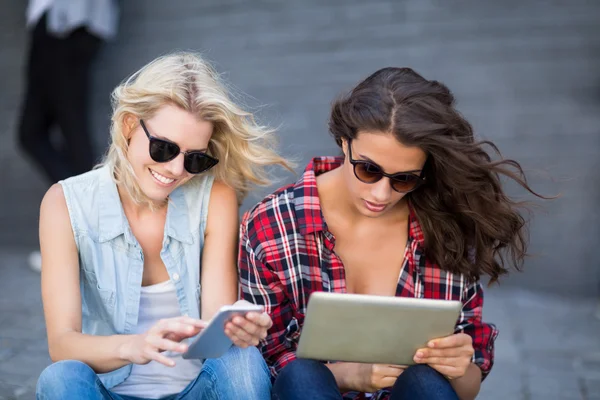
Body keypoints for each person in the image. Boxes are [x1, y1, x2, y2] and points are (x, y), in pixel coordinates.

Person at [239, 67, 545, 400]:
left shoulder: (444, 229)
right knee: (301, 375)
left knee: (427, 382)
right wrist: (347, 375)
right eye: (369, 169)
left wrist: (459, 365)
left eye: (404, 179)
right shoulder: (273, 225)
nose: (381, 195)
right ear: (345, 143)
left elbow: (465, 389)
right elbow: (260, 368)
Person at [36, 52, 291, 400]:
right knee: (61, 378)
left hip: (197, 390)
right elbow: (62, 344)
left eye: (195, 158)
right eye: (163, 148)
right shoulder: (64, 203)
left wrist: (238, 330)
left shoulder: (215, 197)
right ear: (128, 125)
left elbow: (216, 325)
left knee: (243, 362)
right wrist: (134, 346)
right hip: (109, 391)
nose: (174, 170)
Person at [19, 0, 120, 273]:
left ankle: (93, 238)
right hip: (61, 21)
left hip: (68, 21)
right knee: (38, 132)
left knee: (70, 131)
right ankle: (94, 233)